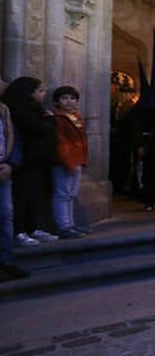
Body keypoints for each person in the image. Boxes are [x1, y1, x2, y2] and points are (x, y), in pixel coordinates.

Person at [2, 77, 58, 245]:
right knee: (22, 196)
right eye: (40, 91)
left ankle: (33, 227)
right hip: (26, 159)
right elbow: (38, 127)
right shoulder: (19, 109)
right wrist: (49, 120)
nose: (44, 94)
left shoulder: (35, 109)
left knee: (34, 195)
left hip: (39, 159)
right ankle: (19, 231)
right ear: (27, 93)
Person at [50, 85, 89, 239]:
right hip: (64, 161)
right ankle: (63, 226)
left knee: (71, 194)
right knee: (62, 193)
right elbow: (61, 142)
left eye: (72, 98)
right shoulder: (57, 118)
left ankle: (71, 224)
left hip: (77, 159)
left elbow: (83, 140)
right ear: (57, 101)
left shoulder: (77, 117)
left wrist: (83, 159)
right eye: (64, 98)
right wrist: (69, 162)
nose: (69, 101)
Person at [0, 95, 30, 280]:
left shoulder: (4, 111)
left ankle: (6, 261)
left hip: (3, 170)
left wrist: (10, 163)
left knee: (5, 216)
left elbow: (14, 139)